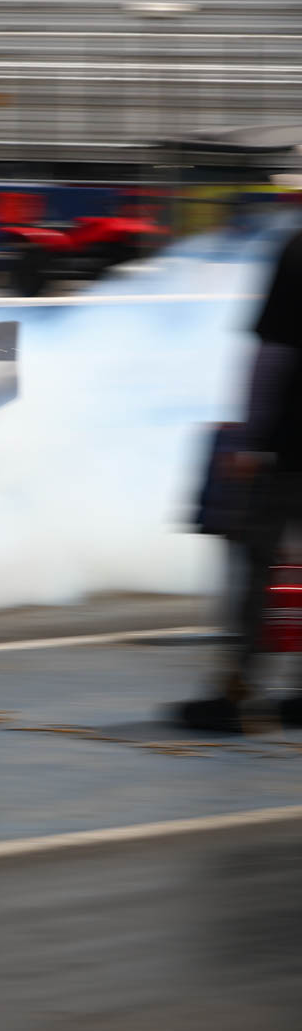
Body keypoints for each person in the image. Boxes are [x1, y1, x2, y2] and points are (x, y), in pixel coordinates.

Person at [172, 225, 302, 732]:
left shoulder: (297, 251)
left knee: (254, 565)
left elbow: (274, 355)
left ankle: (239, 692)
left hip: (289, 448)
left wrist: (249, 440)